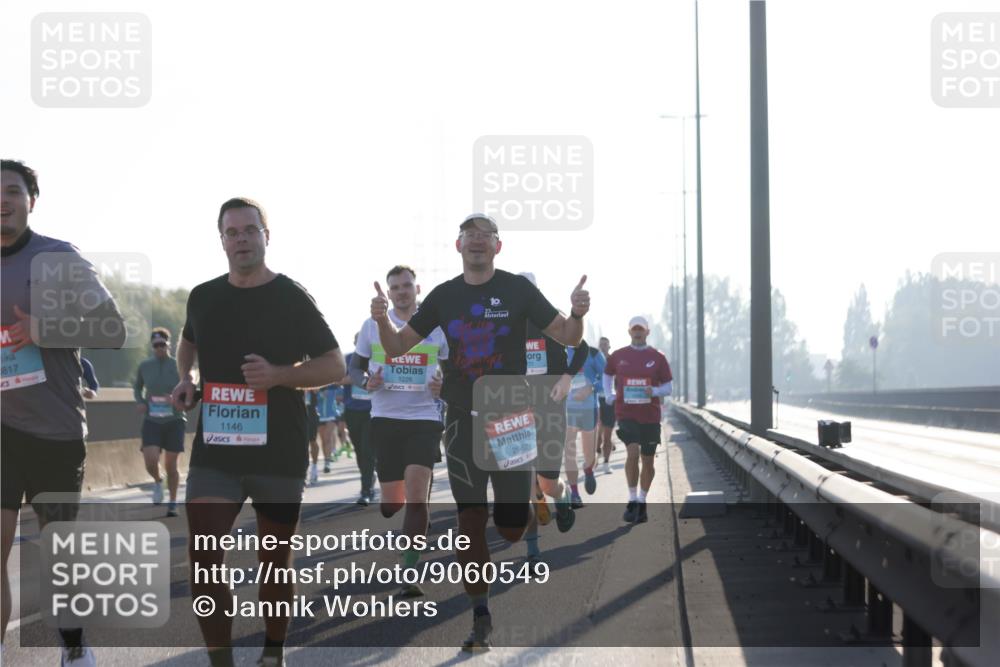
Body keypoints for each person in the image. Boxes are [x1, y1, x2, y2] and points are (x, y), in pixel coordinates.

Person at [370, 213, 590, 652]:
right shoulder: (443, 296)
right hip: (461, 419)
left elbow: (567, 336)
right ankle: (480, 616)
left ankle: (532, 504)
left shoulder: (518, 290)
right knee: (469, 522)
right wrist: (380, 320)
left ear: (497, 246)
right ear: (458, 246)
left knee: (510, 529)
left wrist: (579, 313)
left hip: (510, 419)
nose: (476, 241)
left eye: (484, 236)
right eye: (468, 235)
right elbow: (395, 347)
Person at [171, 197, 344, 667]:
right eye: (232, 232)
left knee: (274, 562)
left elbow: (334, 364)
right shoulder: (203, 296)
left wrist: (279, 375)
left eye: (250, 230)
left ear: (267, 236)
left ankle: (273, 651)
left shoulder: (291, 296)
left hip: (278, 451)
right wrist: (187, 378)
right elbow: (187, 342)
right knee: (204, 560)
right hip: (217, 451)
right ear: (221, 240)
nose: (241, 239)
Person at [2, 159, 126, 666]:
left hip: (55, 431)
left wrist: (44, 329)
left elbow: (112, 329)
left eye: (13, 191)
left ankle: (74, 647)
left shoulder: (59, 258)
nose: (2, 201)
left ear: (32, 200)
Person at [352, 265, 446, 597]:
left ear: (417, 289)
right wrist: (366, 381)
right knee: (392, 504)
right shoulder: (371, 325)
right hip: (385, 419)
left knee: (417, 495)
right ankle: (407, 516)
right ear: (389, 293)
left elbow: (453, 368)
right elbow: (355, 366)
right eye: (395, 287)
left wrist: (444, 385)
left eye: (407, 285)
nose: (401, 291)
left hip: (424, 418)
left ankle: (409, 568)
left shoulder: (436, 328)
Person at [517, 272, 583, 566]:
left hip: (551, 408)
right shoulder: (503, 327)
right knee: (523, 482)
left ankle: (562, 495)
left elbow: (582, 349)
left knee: (546, 484)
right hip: (515, 410)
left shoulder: (552, 319)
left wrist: (567, 378)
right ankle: (532, 550)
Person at [602, 317, 672, 524]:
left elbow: (669, 387)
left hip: (650, 415)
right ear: (629, 332)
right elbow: (607, 374)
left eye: (641, 329)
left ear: (647, 332)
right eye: (634, 329)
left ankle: (642, 501)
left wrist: (655, 391)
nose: (638, 332)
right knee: (632, 453)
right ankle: (632, 499)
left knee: (648, 461)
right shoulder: (618, 356)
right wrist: (609, 393)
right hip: (626, 413)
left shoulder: (658, 357)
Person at [134, 328, 187, 516]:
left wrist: (176, 399)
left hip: (174, 420)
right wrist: (140, 401)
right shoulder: (145, 366)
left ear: (169, 345)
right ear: (152, 347)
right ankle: (158, 481)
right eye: (156, 345)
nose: (159, 348)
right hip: (152, 420)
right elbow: (137, 387)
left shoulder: (179, 365)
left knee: (171, 466)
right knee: (150, 461)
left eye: (162, 345)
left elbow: (189, 389)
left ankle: (172, 503)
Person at [563, 341, 606, 507]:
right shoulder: (560, 351)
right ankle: (574, 493)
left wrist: (592, 388)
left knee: (590, 456)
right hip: (567, 409)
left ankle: (588, 469)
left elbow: (607, 377)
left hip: (589, 408)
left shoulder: (593, 353)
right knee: (569, 451)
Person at [343, 333, 376, 505]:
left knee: (367, 450)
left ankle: (366, 490)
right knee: (359, 451)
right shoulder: (348, 359)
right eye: (358, 341)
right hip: (352, 410)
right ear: (355, 343)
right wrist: (357, 378)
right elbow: (337, 379)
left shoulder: (377, 358)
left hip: (372, 410)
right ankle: (369, 477)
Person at [596, 336, 615, 474]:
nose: (603, 347)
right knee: (598, 434)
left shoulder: (613, 361)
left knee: (607, 434)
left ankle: (606, 463)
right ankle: (595, 457)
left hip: (609, 401)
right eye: (601, 345)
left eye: (605, 345)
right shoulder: (594, 360)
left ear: (609, 347)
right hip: (595, 400)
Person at [305, 389, 322, 485]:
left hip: (311, 413)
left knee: (312, 441)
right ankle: (303, 470)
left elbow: (316, 389)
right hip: (297, 411)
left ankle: (314, 467)